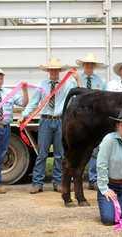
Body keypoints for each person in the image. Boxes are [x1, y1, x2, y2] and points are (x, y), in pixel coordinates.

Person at [20, 58, 78, 194]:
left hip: (60, 120)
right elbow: (34, 102)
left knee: (60, 154)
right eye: (51, 69)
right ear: (48, 71)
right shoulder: (42, 85)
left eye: (56, 69)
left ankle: (58, 182)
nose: (54, 72)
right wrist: (25, 115)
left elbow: (76, 95)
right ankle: (37, 183)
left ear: (59, 71)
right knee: (42, 153)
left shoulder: (68, 84)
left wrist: (77, 78)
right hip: (45, 121)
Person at [74, 53, 107, 190]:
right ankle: (76, 177)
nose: (89, 67)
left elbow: (105, 100)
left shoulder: (100, 81)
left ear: (93, 67)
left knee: (97, 150)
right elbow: (75, 97)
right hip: (81, 119)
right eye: (86, 64)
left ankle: (94, 179)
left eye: (91, 65)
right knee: (79, 149)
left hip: (96, 119)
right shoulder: (75, 80)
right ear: (83, 66)